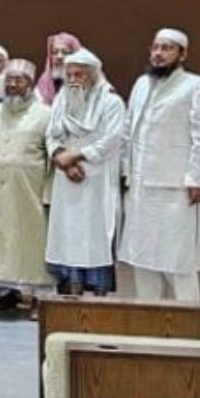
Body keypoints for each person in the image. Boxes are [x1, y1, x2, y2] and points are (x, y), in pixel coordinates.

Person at [117, 28, 200, 301]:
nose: (159, 54)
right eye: (156, 47)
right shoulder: (141, 84)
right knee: (142, 257)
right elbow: (128, 132)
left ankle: (189, 321)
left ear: (182, 54)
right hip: (139, 188)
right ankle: (148, 319)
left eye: (167, 48)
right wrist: (126, 173)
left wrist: (198, 180)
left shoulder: (196, 86)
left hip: (176, 188)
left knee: (178, 259)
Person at [44, 47, 126, 295]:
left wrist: (78, 156)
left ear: (93, 75)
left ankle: (99, 291)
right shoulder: (61, 100)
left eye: (79, 75)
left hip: (97, 179)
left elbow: (111, 139)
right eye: (70, 75)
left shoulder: (111, 101)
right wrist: (62, 158)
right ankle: (72, 287)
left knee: (95, 235)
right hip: (66, 178)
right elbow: (50, 133)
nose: (74, 80)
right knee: (68, 234)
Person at [0, 58, 53, 314]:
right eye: (9, 80)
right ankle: (6, 295)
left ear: (30, 83)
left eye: (19, 80)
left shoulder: (45, 113)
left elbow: (52, 153)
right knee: (1, 236)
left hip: (30, 189)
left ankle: (38, 299)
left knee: (32, 240)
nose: (13, 85)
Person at [35, 32, 83, 105]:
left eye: (65, 52)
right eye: (54, 52)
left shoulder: (87, 81)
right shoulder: (44, 81)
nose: (59, 57)